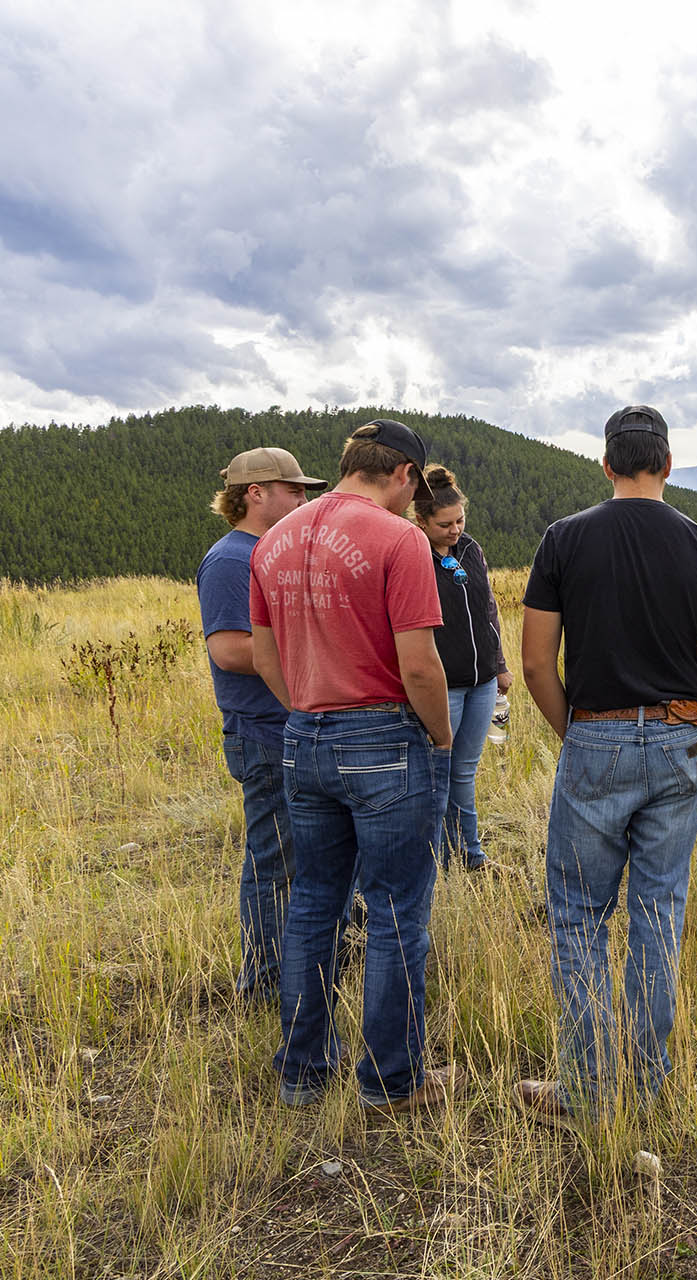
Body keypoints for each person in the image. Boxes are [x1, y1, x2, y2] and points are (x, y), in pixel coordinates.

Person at [514, 404, 697, 1124]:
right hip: (678, 739)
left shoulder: (563, 539)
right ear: (669, 464)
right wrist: (692, 732)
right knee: (658, 914)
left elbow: (533, 662)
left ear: (607, 464)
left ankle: (586, 1092)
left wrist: (577, 734)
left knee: (580, 918)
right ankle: (648, 1088)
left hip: (595, 738)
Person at [249, 418, 457, 1116]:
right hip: (384, 737)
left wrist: (307, 708)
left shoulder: (274, 540)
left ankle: (303, 1072)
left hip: (303, 735)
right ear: (402, 473)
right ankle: (391, 1081)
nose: (412, 501)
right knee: (397, 912)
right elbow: (420, 664)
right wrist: (439, 736)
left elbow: (264, 653)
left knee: (312, 904)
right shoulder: (400, 540)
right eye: (413, 487)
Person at [196, 447, 324, 1003]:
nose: (303, 498)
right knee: (273, 859)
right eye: (293, 490)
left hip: (292, 726)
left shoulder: (270, 552)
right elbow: (228, 650)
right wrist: (314, 657)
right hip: (263, 732)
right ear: (255, 494)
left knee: (304, 855)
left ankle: (302, 965)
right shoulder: (230, 561)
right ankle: (265, 981)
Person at [412, 464, 513, 872]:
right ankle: (431, 858)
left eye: (460, 520)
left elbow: (488, 608)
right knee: (437, 772)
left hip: (482, 681)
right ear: (421, 520)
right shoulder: (412, 555)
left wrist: (500, 664)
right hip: (443, 684)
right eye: (444, 524)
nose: (455, 530)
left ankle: (469, 854)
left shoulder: (471, 549)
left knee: (464, 772)